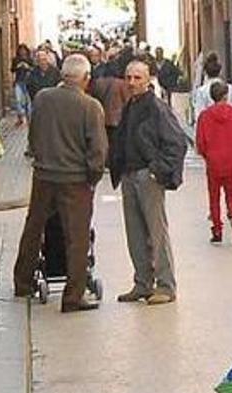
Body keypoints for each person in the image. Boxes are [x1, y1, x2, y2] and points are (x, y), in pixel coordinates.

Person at [13, 54, 107, 313]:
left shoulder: (43, 98)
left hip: (44, 175)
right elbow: (98, 150)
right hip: (74, 179)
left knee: (34, 227)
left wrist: (39, 156)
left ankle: (22, 281)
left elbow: (33, 134)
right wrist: (93, 177)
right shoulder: (90, 106)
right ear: (85, 78)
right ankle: (73, 295)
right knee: (77, 237)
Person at [110, 59, 187, 306]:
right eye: (128, 77)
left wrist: (158, 170)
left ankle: (165, 285)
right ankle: (142, 282)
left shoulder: (156, 108)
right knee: (134, 232)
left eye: (137, 78)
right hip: (129, 174)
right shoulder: (130, 105)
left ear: (147, 80)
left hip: (148, 175)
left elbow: (177, 142)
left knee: (156, 231)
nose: (131, 82)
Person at [195, 81, 232, 244]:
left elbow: (200, 141)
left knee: (214, 195)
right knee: (231, 192)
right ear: (226, 95)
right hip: (231, 158)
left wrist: (206, 155)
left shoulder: (205, 116)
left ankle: (217, 229)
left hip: (213, 160)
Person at [192, 53, 232, 125]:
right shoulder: (230, 89)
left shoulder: (201, 91)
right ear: (220, 72)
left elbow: (199, 116)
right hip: (228, 127)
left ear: (205, 73)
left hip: (210, 128)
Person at [10, 44, 34, 126]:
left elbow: (34, 70)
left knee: (28, 102)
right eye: (21, 50)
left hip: (28, 83)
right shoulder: (15, 59)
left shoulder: (30, 60)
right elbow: (12, 70)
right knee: (18, 100)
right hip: (18, 82)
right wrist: (17, 66)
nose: (22, 51)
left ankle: (28, 119)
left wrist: (28, 67)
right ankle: (20, 117)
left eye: (24, 50)